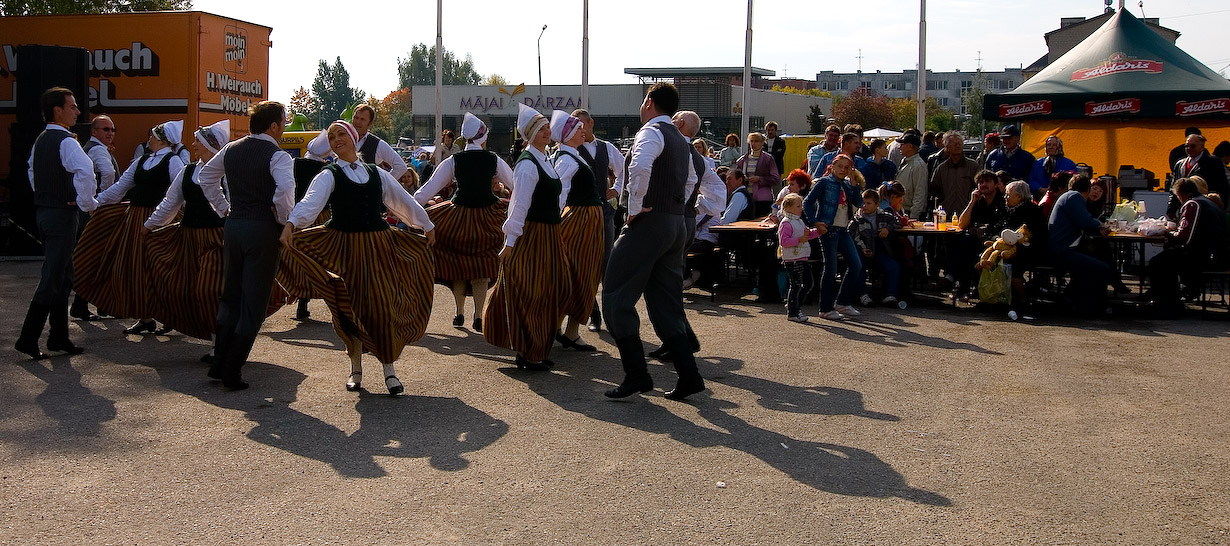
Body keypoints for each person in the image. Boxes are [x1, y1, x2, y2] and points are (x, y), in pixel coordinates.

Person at [279, 120, 436, 395]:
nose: (336, 139)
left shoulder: (377, 173)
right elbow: (311, 201)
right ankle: (355, 369)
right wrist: (292, 224)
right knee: (349, 309)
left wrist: (425, 224)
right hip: (346, 249)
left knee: (384, 305)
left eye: (341, 134)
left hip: (378, 247)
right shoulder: (329, 174)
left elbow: (402, 201)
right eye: (331, 137)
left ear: (353, 138)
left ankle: (389, 369)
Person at [603, 82, 705, 401]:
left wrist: (635, 208)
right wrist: (677, 206)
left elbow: (639, 165)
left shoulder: (651, 131)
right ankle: (689, 376)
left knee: (616, 294)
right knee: (665, 303)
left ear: (649, 101)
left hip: (651, 221)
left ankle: (637, 375)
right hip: (675, 223)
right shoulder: (681, 140)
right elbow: (691, 179)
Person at [197, 101, 296, 390]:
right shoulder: (278, 156)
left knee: (231, 297)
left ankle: (219, 362)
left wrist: (224, 208)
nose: (284, 127)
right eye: (283, 123)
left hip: (234, 225)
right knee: (253, 304)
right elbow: (285, 191)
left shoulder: (231, 149)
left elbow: (206, 177)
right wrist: (282, 219)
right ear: (274, 126)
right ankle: (231, 369)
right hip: (262, 229)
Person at [76, 119, 186, 335]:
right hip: (135, 218)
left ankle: (168, 314)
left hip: (161, 218)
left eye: (153, 135)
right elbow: (119, 188)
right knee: (135, 268)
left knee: (159, 268)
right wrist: (96, 203)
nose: (150, 138)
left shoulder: (173, 161)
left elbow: (180, 193)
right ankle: (145, 317)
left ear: (163, 139)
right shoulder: (142, 160)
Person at [483, 104, 572, 371]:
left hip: (549, 234)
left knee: (554, 288)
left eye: (547, 127)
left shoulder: (545, 159)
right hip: (533, 235)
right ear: (529, 135)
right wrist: (510, 242)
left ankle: (533, 347)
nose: (547, 131)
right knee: (534, 291)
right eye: (540, 128)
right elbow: (518, 205)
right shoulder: (527, 165)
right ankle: (529, 350)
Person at [14, 87, 101, 360]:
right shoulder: (66, 141)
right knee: (53, 276)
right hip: (61, 214)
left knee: (63, 275)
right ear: (58, 110)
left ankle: (59, 337)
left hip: (47, 211)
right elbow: (86, 171)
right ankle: (28, 338)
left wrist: (47, 194)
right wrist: (87, 203)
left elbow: (31, 170)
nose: (77, 111)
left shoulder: (42, 140)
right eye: (73, 106)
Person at [414, 112, 515, 331]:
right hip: (489, 217)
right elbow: (516, 186)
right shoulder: (493, 159)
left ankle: (459, 312)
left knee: (457, 264)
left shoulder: (453, 161)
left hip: (458, 218)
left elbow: (427, 190)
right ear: (483, 137)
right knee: (481, 267)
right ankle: (478, 315)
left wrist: (409, 209)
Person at [140, 120, 237, 346]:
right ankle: (213, 337)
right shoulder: (188, 170)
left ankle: (220, 344)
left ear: (209, 146)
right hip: (189, 239)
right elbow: (170, 203)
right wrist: (149, 226)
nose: (192, 145)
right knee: (184, 288)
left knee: (209, 290)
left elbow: (233, 206)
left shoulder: (226, 173)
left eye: (197, 141)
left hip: (216, 240)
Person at [549, 110, 603, 353]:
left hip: (586, 221)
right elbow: (559, 194)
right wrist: (555, 222)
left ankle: (568, 331)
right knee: (576, 274)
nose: (583, 130)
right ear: (568, 134)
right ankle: (561, 330)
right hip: (579, 222)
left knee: (582, 274)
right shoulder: (567, 159)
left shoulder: (571, 155)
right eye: (577, 127)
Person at [571, 108, 626, 333]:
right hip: (579, 211)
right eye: (574, 126)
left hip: (603, 211)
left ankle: (610, 314)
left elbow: (625, 170)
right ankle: (593, 312)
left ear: (591, 122)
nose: (578, 130)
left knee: (606, 262)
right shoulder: (571, 149)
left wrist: (617, 189)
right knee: (583, 262)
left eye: (580, 125)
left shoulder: (606, 147)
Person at [1144, 178, 1226, 317]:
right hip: (1214, 253)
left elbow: (1184, 237)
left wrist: (1168, 232)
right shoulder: (1207, 202)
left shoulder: (1193, 204)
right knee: (1166, 258)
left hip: (1202, 256)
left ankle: (1167, 305)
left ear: (1181, 194)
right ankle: (1170, 302)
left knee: (1158, 262)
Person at [803, 154, 865, 320]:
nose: (843, 170)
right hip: (828, 229)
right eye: (840, 166)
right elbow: (807, 202)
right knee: (831, 268)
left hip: (843, 229)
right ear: (832, 166)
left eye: (846, 167)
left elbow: (859, 203)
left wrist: (854, 184)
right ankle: (825, 307)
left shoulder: (847, 184)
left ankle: (842, 302)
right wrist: (815, 222)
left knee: (856, 265)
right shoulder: (824, 182)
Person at [71, 114, 120, 321]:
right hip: (97, 213)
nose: (110, 133)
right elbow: (107, 173)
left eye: (112, 130)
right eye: (105, 129)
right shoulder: (98, 149)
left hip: (89, 210)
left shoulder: (93, 148)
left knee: (96, 259)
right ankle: (84, 305)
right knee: (97, 258)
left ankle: (99, 304)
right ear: (94, 132)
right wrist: (103, 200)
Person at [1047, 174, 1111, 316]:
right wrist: (1099, 225)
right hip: (1062, 252)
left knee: (1093, 261)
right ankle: (1091, 307)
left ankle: (1073, 300)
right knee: (1102, 268)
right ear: (1087, 189)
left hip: (1060, 249)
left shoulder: (1067, 196)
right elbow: (1085, 221)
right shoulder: (1074, 197)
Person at [998, 180, 1048, 320]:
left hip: (1030, 250)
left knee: (1014, 265)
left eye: (1008, 195)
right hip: (1011, 247)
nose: (1005, 197)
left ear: (1019, 197)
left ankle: (1021, 301)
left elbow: (1035, 236)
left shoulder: (1031, 211)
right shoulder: (1008, 209)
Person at [851, 188, 902, 306]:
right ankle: (862, 295)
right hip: (862, 252)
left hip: (879, 252)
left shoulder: (884, 216)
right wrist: (862, 249)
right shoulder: (857, 219)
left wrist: (887, 229)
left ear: (877, 204)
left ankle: (891, 295)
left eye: (868, 203)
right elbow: (851, 235)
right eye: (863, 203)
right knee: (859, 268)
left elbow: (898, 222)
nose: (865, 206)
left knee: (893, 267)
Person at [777, 193, 819, 322]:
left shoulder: (798, 221)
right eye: (798, 206)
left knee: (808, 283)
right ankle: (793, 311)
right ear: (789, 208)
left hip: (802, 257)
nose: (801, 208)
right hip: (792, 260)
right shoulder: (786, 223)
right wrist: (799, 240)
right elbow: (784, 241)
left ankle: (794, 305)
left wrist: (818, 232)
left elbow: (807, 234)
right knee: (796, 285)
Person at [347, 103, 409, 180]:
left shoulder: (377, 144)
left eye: (362, 119)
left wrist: (383, 184)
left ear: (369, 124)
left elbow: (401, 166)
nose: (357, 122)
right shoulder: (342, 138)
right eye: (356, 117)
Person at [929, 131, 980, 215]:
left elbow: (978, 188)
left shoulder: (973, 166)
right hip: (946, 214)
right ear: (946, 147)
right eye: (954, 143)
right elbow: (934, 191)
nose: (957, 145)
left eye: (959, 143)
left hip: (968, 214)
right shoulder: (941, 169)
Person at [733, 132, 780, 218]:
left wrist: (760, 179)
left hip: (762, 199)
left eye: (756, 141)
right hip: (746, 197)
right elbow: (736, 176)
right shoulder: (743, 159)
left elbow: (775, 178)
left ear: (762, 143)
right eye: (751, 141)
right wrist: (743, 178)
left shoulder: (768, 159)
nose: (753, 144)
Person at [1173, 134, 1229, 198]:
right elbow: (1173, 189)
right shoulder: (1179, 164)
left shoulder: (1213, 162)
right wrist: (1171, 207)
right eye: (1187, 146)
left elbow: (1223, 187)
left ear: (1202, 147)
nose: (1189, 148)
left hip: (1204, 203)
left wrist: (1218, 204)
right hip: (1182, 205)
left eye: (1193, 146)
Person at [895, 132, 928, 220]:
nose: (900, 147)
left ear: (910, 146)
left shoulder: (918, 165)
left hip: (911, 212)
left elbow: (920, 192)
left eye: (902, 144)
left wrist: (914, 216)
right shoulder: (905, 161)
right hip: (902, 210)